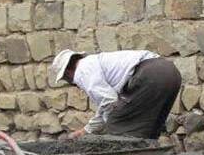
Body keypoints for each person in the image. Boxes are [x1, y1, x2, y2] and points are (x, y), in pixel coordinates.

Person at [47, 49, 182, 140]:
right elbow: (105, 104)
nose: (71, 83)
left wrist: (111, 124)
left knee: (118, 125)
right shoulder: (94, 63)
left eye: (66, 79)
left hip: (150, 76)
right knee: (150, 127)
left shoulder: (81, 72)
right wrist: (86, 131)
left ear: (67, 72)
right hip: (170, 72)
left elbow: (109, 103)